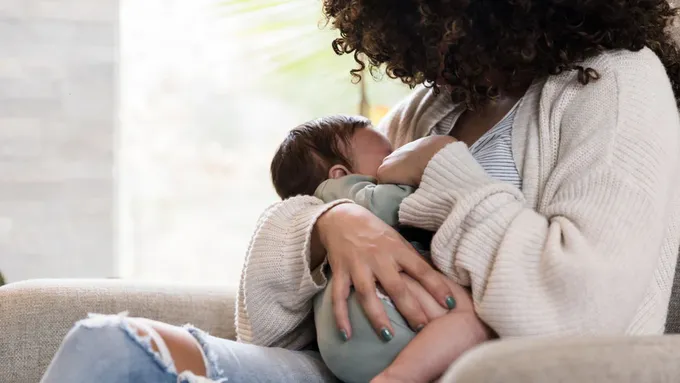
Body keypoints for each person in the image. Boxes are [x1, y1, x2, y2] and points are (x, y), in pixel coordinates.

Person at [41, 1, 680, 382]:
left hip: (472, 370)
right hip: (348, 368)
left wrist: (443, 171)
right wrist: (333, 224)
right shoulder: (430, 108)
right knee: (110, 347)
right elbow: (261, 323)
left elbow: (580, 311)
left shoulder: (616, 85)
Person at [269, 115, 493, 382]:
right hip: (376, 317)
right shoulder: (343, 192)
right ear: (340, 174)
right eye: (388, 157)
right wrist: (430, 166)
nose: (397, 159)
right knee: (476, 320)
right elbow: (393, 205)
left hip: (341, 345)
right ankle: (398, 377)